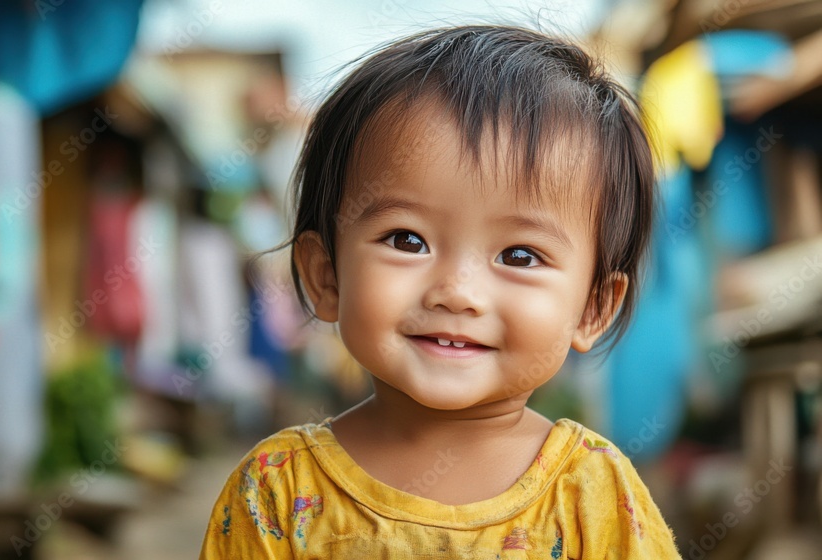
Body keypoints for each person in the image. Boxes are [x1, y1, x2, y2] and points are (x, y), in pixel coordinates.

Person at [200, 25, 682, 559]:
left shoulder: (595, 495)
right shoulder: (276, 493)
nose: (457, 292)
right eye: (407, 240)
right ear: (326, 276)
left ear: (593, 307)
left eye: (519, 256)